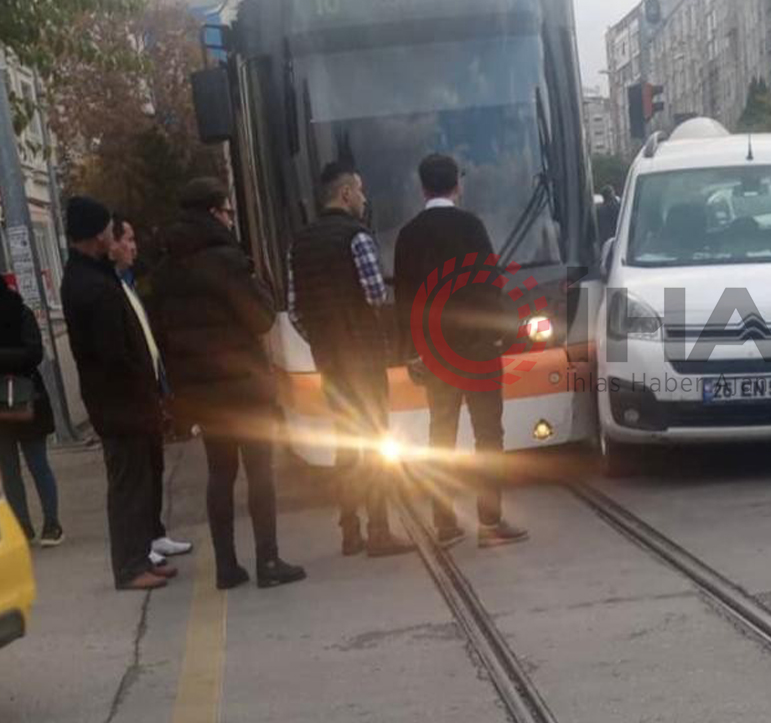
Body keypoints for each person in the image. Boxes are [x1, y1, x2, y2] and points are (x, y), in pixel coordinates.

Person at [152, 179, 306, 589]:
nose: (230, 218)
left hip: (202, 393)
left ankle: (226, 567)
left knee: (220, 473)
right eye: (228, 211)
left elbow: (163, 335)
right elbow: (261, 317)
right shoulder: (227, 260)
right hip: (244, 387)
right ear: (215, 213)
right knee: (260, 471)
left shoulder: (166, 269)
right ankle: (268, 561)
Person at [393, 154, 528, 549]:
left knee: (441, 434)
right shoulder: (471, 226)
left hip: (435, 354)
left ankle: (445, 523)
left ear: (422, 188)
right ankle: (490, 522)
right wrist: (501, 335)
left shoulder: (408, 235)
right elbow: (490, 285)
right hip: (478, 351)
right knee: (488, 436)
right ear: (457, 185)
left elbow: (404, 299)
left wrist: (411, 350)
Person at [290, 162, 413, 558]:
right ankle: (379, 529)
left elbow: (295, 311)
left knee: (345, 444)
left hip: (330, 360)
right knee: (376, 441)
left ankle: (349, 531)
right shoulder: (357, 237)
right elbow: (376, 294)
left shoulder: (300, 243)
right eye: (359, 191)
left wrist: (324, 340)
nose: (363, 198)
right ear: (345, 194)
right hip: (363, 357)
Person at [61, 197, 172, 591]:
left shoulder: (95, 274)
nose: (114, 234)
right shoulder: (91, 286)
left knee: (139, 484)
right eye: (109, 229)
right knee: (128, 487)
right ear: (95, 235)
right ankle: (129, 567)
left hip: (126, 404)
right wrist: (143, 391)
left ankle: (140, 556)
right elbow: (114, 356)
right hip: (120, 407)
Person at [110, 215, 193, 565]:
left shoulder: (133, 279)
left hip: (153, 387)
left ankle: (156, 534)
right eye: (127, 239)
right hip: (130, 400)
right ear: (110, 243)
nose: (134, 245)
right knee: (137, 476)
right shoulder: (109, 287)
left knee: (155, 467)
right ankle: (142, 542)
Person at [0, 281, 61, 547]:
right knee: (9, 471)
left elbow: (34, 352)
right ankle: (22, 527)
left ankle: (52, 523)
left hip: (26, 398)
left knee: (38, 464)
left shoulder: (20, 312)